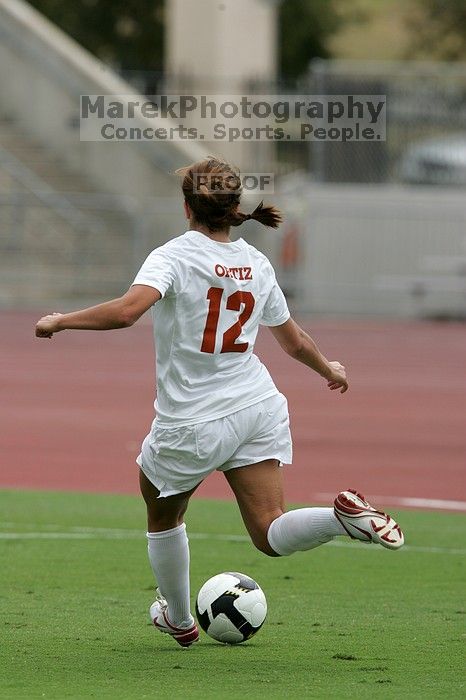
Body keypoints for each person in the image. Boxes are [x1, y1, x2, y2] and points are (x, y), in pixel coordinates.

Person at [35, 157, 404, 648]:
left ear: (187, 206)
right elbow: (292, 341)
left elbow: (127, 312)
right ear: (233, 209)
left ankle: (180, 619)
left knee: (163, 515)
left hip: (191, 419)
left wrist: (60, 320)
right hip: (257, 405)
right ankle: (339, 519)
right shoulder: (255, 261)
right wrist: (329, 369)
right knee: (270, 531)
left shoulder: (174, 255)